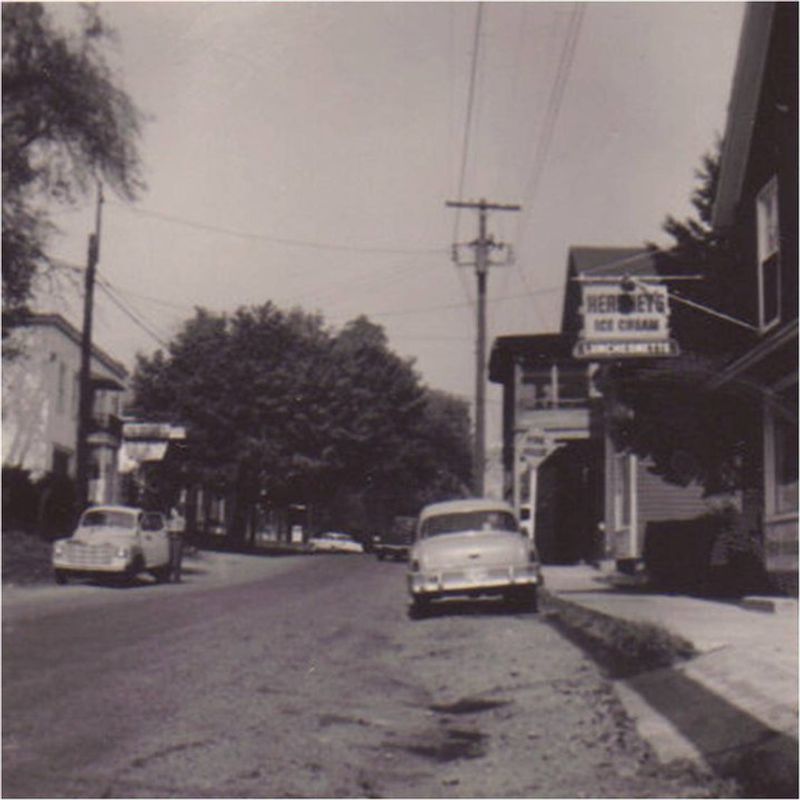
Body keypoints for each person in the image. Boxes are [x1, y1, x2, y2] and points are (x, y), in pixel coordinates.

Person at [167, 504, 186, 582]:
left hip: (177, 538)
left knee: (177, 558)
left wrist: (174, 524)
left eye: (173, 511)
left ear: (176, 511)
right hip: (171, 538)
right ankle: (170, 576)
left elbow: (181, 529)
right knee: (171, 557)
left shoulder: (181, 520)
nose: (171, 512)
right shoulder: (171, 520)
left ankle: (177, 577)